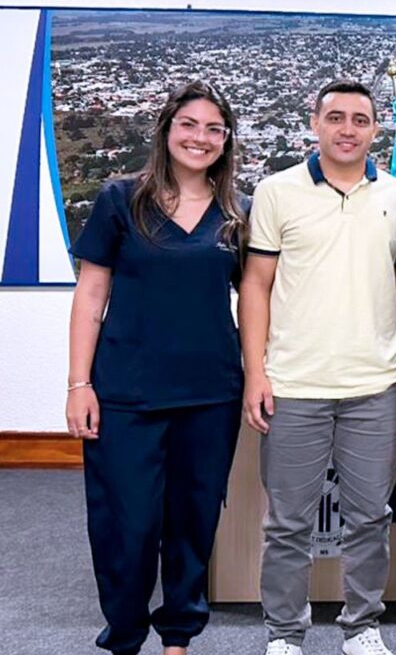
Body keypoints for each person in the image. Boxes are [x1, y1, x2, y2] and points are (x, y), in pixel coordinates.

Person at [66, 80, 247, 655]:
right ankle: (124, 635)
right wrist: (78, 384)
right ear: (167, 131)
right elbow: (91, 296)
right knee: (128, 525)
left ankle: (178, 639)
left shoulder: (237, 214)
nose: (201, 138)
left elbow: (263, 298)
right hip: (127, 394)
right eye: (189, 125)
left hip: (211, 394)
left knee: (193, 524)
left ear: (226, 141)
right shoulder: (122, 200)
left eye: (214, 129)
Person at [239, 80, 396, 655]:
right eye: (335, 117)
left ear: (374, 129)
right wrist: (256, 373)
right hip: (292, 386)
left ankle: (361, 626)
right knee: (288, 525)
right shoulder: (276, 191)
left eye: (360, 120)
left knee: (369, 518)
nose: (347, 129)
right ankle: (286, 635)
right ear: (314, 123)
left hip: (376, 386)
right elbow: (257, 286)